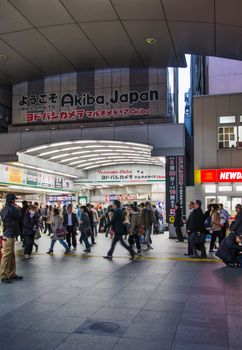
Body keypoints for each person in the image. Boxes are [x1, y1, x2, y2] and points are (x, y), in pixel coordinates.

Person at [0, 194, 22, 284]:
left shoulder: (3, 209)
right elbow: (19, 218)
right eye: (14, 200)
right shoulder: (12, 209)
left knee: (11, 256)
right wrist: (18, 209)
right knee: (6, 257)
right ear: (12, 200)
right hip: (9, 236)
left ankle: (11, 273)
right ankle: (3, 275)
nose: (15, 201)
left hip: (8, 234)